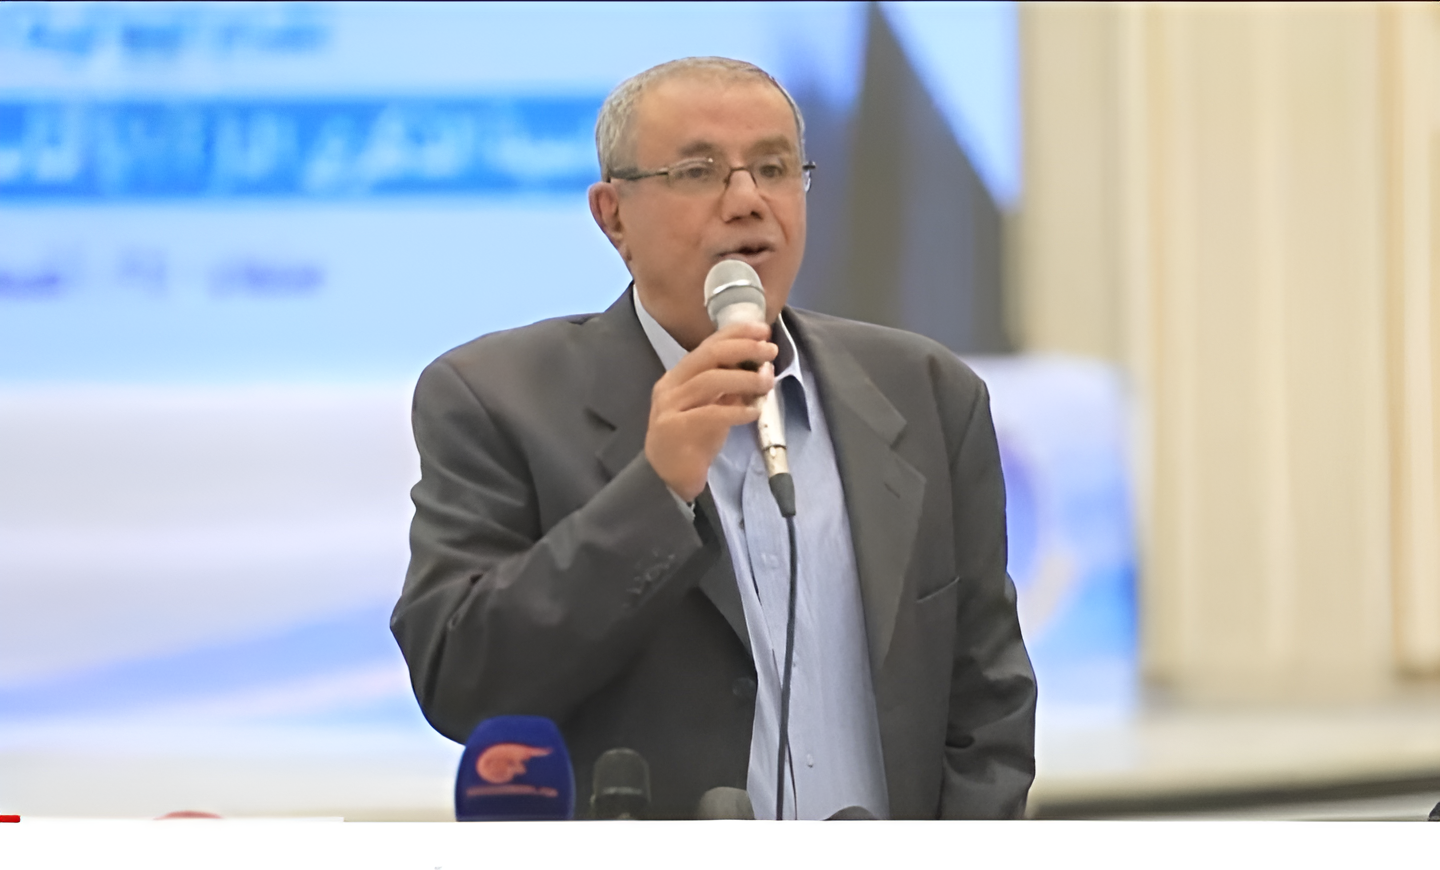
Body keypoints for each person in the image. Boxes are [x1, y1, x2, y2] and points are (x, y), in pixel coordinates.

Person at [391, 57, 1036, 820]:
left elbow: (988, 701)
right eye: (698, 172)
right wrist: (655, 493)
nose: (747, 200)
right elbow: (461, 681)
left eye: (774, 168)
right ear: (613, 216)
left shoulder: (926, 393)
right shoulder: (495, 399)